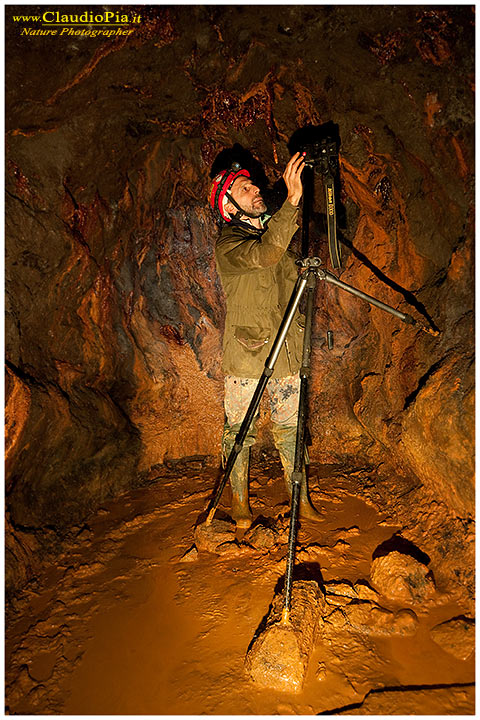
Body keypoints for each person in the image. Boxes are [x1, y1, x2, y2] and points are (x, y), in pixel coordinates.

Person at [209, 152, 320, 528]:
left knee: (292, 426)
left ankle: (300, 500)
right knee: (240, 431)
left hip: (286, 351)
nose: (256, 188)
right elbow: (267, 254)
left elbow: (287, 271)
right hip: (247, 354)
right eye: (245, 188)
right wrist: (291, 200)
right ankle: (239, 504)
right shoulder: (229, 244)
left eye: (253, 184)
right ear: (228, 205)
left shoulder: (272, 233)